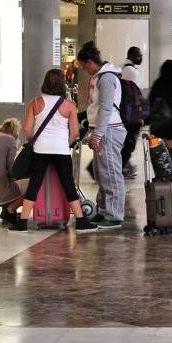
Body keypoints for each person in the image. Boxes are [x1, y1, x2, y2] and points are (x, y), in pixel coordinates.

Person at [10, 70, 99, 233]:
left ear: (45, 83)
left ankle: (22, 222)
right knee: (68, 185)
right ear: (62, 84)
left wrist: (35, 141)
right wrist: (65, 144)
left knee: (34, 185)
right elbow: (74, 133)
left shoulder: (35, 103)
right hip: (61, 150)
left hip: (40, 149)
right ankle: (80, 221)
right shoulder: (69, 105)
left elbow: (26, 129)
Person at [77, 41, 126, 230]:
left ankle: (114, 215)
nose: (84, 69)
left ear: (90, 62)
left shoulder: (106, 78)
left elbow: (106, 107)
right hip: (102, 129)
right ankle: (104, 210)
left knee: (111, 173)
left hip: (110, 130)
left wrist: (97, 135)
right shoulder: (100, 77)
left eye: (83, 65)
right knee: (102, 173)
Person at [120, 46, 145, 179]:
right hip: (130, 113)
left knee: (125, 141)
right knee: (129, 141)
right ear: (132, 55)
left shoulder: (122, 67)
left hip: (124, 111)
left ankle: (125, 165)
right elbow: (135, 95)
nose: (141, 58)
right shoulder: (131, 71)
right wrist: (139, 114)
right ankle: (122, 167)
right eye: (139, 56)